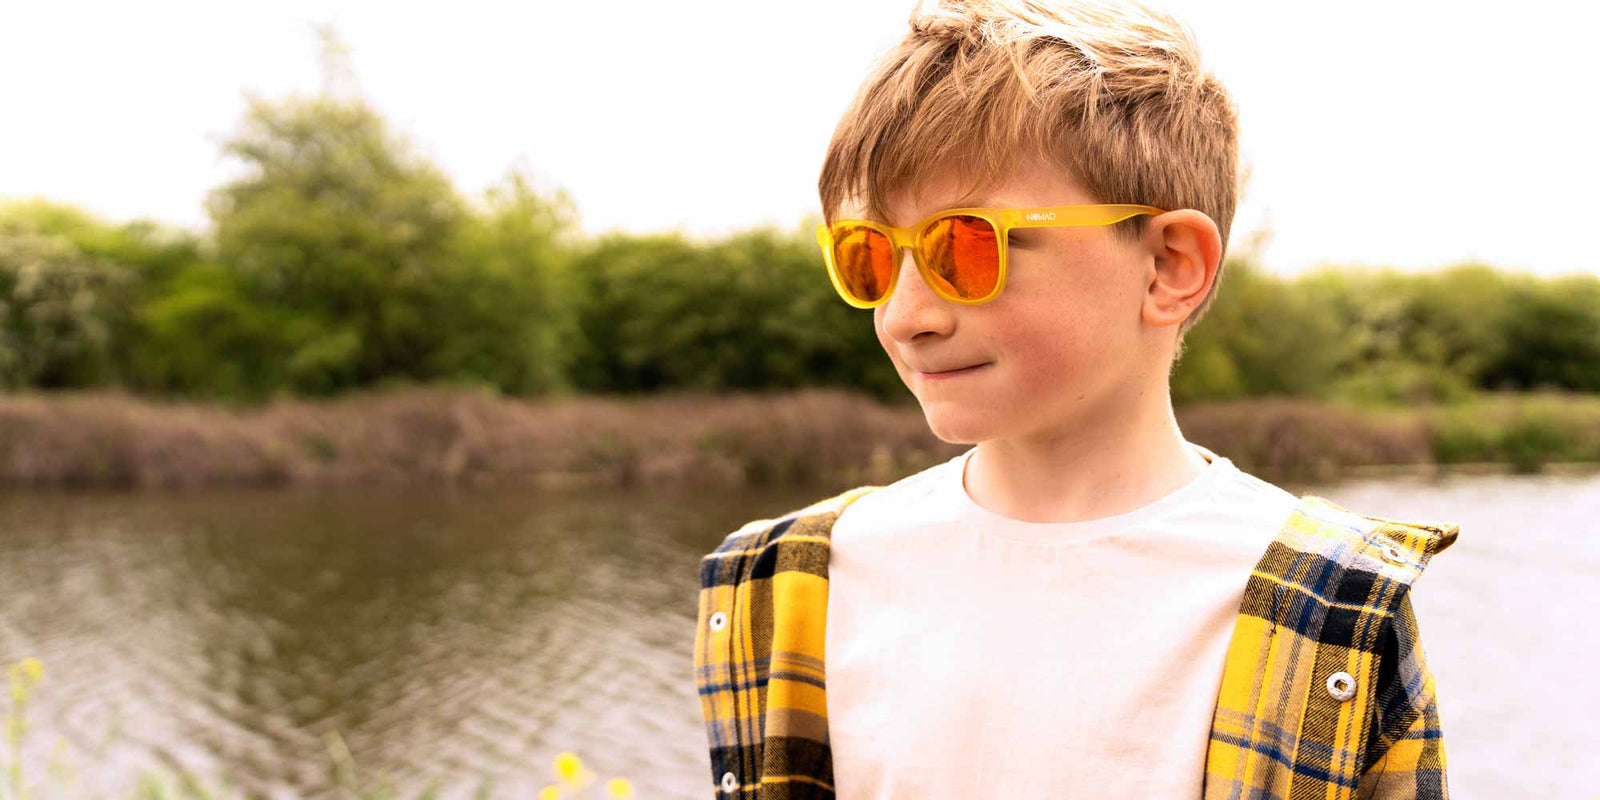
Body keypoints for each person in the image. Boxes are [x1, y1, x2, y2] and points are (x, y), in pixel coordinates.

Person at [693, 0, 1459, 797]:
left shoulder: (1330, 605)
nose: (904, 315)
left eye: (968, 247)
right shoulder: (789, 583)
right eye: (871, 258)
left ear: (1168, 266)